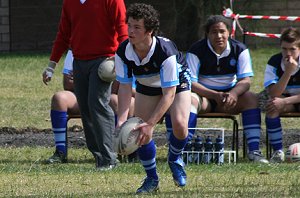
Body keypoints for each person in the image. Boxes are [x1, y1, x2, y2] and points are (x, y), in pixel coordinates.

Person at [42, 0, 128, 170]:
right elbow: (63, 34)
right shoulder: (70, 2)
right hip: (79, 61)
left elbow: (123, 31)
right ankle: (99, 157)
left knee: (97, 104)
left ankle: (109, 158)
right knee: (86, 108)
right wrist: (51, 65)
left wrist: (122, 58)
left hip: (105, 61)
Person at [115, 3, 191, 194]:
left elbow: (169, 95)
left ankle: (174, 158)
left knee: (180, 125)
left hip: (176, 84)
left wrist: (151, 123)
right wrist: (122, 120)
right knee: (139, 130)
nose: (130, 31)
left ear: (149, 31)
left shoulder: (165, 52)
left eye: (137, 27)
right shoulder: (123, 51)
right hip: (146, 84)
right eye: (129, 25)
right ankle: (152, 178)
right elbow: (124, 87)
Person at [186, 15, 269, 164]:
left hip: (229, 98)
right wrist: (214, 95)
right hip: (204, 98)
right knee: (188, 99)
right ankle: (186, 151)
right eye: (213, 32)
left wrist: (233, 93)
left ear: (229, 33)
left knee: (251, 98)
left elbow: (246, 81)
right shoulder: (196, 50)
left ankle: (254, 151)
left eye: (222, 31)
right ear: (207, 34)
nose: (218, 36)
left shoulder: (240, 49)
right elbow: (191, 83)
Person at [47, 50, 137, 163]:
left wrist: (87, 80)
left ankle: (117, 151)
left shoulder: (112, 50)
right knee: (59, 98)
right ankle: (60, 152)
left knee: (115, 101)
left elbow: (116, 87)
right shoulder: (75, 50)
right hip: (81, 94)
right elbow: (68, 84)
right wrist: (92, 82)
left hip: (107, 96)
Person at [263, 27, 300, 163]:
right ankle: (278, 152)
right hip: (284, 99)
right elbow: (274, 92)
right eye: (284, 49)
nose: (288, 53)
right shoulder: (274, 61)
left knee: (278, 102)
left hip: (290, 100)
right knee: (272, 105)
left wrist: (285, 102)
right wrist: (288, 72)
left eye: (292, 49)